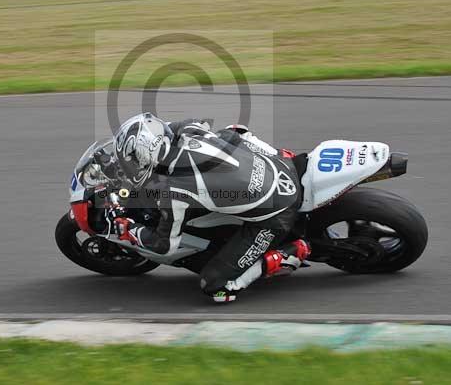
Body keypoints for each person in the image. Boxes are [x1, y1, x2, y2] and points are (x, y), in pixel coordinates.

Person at [108, 112, 310, 302]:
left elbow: (165, 246)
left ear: (147, 155)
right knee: (233, 131)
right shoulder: (190, 128)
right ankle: (279, 153)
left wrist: (129, 230)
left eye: (132, 161)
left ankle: (288, 254)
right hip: (282, 166)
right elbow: (175, 127)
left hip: (276, 214)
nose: (130, 167)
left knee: (215, 285)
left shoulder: (175, 191)